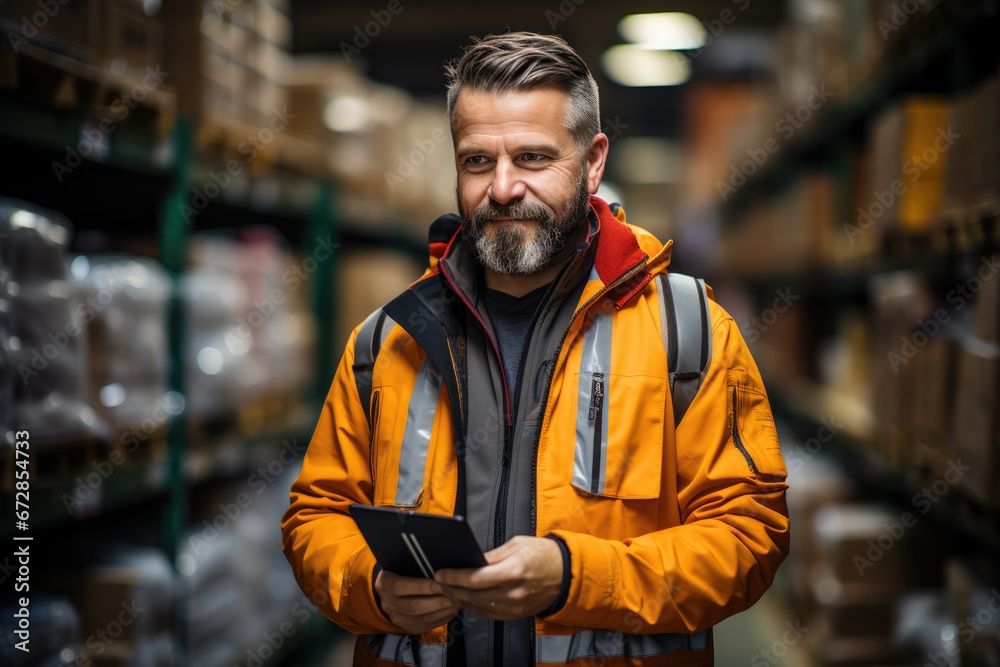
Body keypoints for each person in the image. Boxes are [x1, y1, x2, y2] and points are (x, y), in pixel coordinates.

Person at [281, 31, 789, 667]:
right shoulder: (388, 339)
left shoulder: (688, 332)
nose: (501, 189)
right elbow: (313, 519)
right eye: (476, 162)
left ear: (594, 161)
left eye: (532, 158)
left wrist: (577, 577)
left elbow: (749, 537)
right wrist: (371, 586)